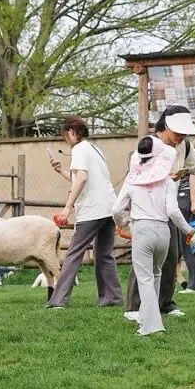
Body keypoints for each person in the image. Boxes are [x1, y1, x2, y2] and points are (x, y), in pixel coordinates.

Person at [123, 105, 195, 319]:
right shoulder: (147, 146)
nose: (180, 136)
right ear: (165, 126)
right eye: (177, 132)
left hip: (169, 209)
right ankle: (134, 307)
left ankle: (165, 303)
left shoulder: (184, 145)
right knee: (144, 258)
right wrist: (165, 178)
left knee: (171, 257)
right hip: (146, 210)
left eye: (184, 132)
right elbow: (137, 177)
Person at [113, 136, 194, 336]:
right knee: (156, 273)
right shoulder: (167, 182)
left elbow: (116, 209)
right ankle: (146, 316)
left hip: (142, 230)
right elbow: (174, 212)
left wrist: (122, 222)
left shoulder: (132, 180)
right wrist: (188, 230)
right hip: (163, 233)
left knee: (145, 278)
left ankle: (152, 326)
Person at [47, 115, 123, 308]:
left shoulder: (79, 149)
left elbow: (81, 180)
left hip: (92, 210)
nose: (65, 140)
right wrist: (62, 171)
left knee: (73, 253)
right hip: (108, 208)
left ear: (72, 132)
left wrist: (67, 208)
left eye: (65, 136)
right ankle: (112, 298)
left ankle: (58, 301)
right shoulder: (95, 149)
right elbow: (82, 180)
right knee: (105, 254)